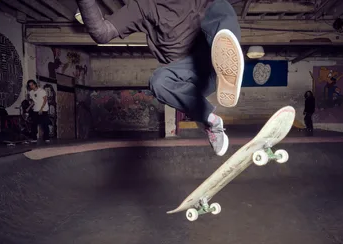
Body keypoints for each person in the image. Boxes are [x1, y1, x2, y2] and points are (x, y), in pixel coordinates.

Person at [75, 0, 245, 156]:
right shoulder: (142, 7)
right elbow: (102, 32)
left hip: (211, 60)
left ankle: (227, 64)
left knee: (219, 6)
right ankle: (211, 122)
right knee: (158, 81)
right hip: (187, 77)